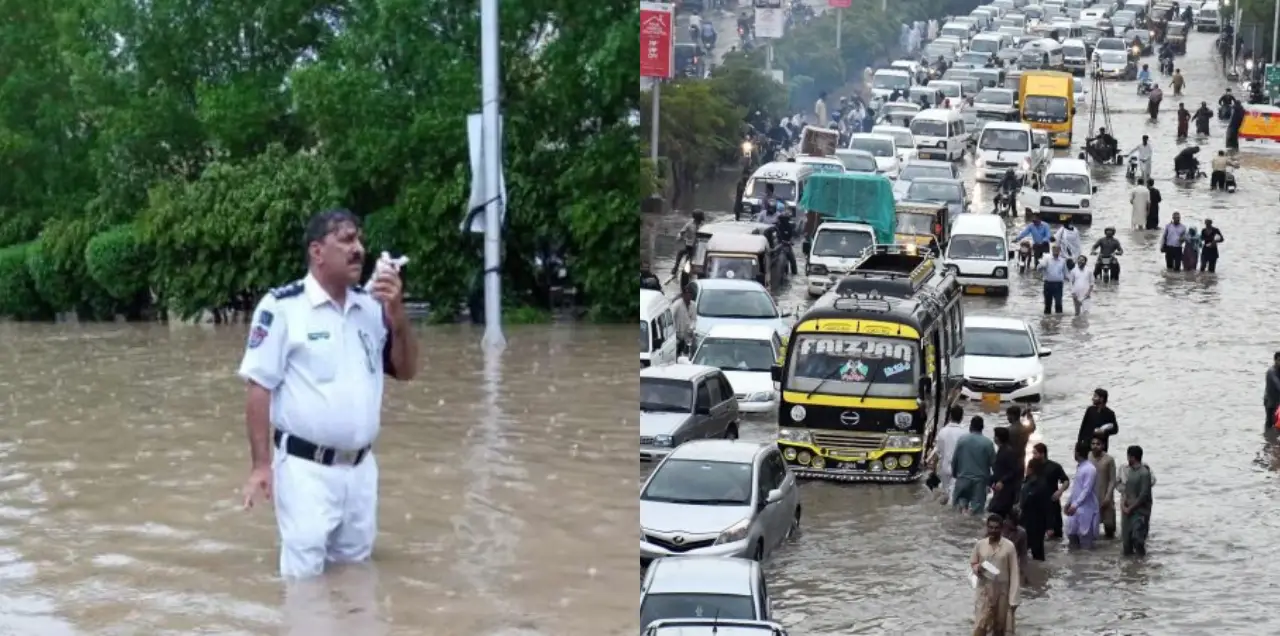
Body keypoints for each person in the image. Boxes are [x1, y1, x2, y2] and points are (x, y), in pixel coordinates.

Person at [238, 208, 420, 579]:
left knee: (356, 578)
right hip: (306, 471)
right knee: (304, 584)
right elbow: (259, 388)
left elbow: (406, 370)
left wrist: (398, 317)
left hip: (360, 469)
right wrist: (260, 465)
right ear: (317, 252)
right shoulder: (283, 308)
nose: (359, 249)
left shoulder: (371, 307)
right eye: (347, 240)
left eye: (360, 240)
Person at [970, 513, 1021, 636]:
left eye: (996, 528)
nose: (993, 530)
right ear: (987, 527)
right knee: (980, 625)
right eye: (990, 527)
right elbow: (973, 563)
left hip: (1002, 591)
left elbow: (1014, 573)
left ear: (1002, 528)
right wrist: (977, 568)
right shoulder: (980, 545)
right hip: (984, 590)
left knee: (1000, 627)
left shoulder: (1009, 547)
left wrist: (1013, 599)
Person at [951, 416, 996, 515]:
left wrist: (955, 474)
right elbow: (994, 464)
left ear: (970, 427)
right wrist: (992, 482)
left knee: (958, 508)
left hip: (963, 479)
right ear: (982, 427)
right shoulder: (988, 443)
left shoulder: (962, 440)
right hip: (979, 482)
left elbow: (955, 460)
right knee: (977, 512)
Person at [1064, 441, 1100, 549]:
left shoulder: (1090, 469)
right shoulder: (1080, 467)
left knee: (1086, 543)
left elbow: (1087, 490)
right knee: (1072, 538)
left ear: (1077, 453)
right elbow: (1076, 488)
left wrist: (1075, 504)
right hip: (1075, 509)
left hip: (1086, 510)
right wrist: (1068, 502)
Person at [929, 405, 968, 503]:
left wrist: (933, 469)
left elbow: (937, 452)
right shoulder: (965, 433)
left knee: (945, 492)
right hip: (959, 470)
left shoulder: (943, 431)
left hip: (945, 468)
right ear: (962, 417)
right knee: (955, 497)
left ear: (950, 416)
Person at [1120, 445, 1154, 556]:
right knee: (1127, 542)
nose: (1127, 459)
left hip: (1140, 512)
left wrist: (1130, 508)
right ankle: (1130, 568)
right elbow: (1126, 490)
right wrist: (1123, 505)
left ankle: (1141, 566)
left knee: (1138, 540)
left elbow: (1143, 495)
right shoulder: (1131, 472)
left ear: (1132, 457)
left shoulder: (1144, 473)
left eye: (1128, 457)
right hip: (1128, 512)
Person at [1032, 443, 1070, 540]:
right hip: (1037, 503)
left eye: (1035, 453)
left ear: (1042, 454)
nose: (1033, 456)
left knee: (1056, 533)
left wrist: (1060, 491)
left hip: (1052, 503)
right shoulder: (1032, 465)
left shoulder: (1054, 467)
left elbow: (1066, 481)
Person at [1019, 457, 1054, 560]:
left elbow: (1048, 506)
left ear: (1031, 469)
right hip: (1026, 520)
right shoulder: (1027, 481)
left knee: (1037, 550)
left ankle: (1038, 570)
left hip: (1037, 523)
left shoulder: (1042, 485)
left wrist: (1049, 526)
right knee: (1023, 549)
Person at [1089, 435, 1118, 539]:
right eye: (1093, 444)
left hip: (1105, 497)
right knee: (1090, 528)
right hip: (1091, 497)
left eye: (1098, 444)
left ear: (1103, 445)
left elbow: (1112, 480)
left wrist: (1108, 496)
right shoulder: (1088, 457)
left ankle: (1109, 553)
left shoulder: (1109, 460)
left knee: (1109, 528)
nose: (1095, 446)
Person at [988, 427, 1021, 517]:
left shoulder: (1008, 452)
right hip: (1001, 488)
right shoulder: (1003, 450)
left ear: (997, 438)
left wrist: (1002, 481)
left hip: (1006, 490)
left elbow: (1014, 470)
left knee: (997, 511)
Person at [1038, 243, 1069, 315]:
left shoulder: (1063, 261)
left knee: (1058, 303)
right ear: (1052, 250)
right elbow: (1039, 269)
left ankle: (1058, 321)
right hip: (1048, 284)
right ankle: (1047, 321)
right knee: (1048, 304)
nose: (1056, 251)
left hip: (1058, 285)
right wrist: (1041, 266)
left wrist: (1071, 280)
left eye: (1058, 250)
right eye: (1054, 249)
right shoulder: (1046, 259)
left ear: (1060, 251)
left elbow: (1066, 273)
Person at [674, 209, 705, 277]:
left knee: (693, 260)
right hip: (689, 245)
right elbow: (682, 232)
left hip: (698, 247)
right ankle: (675, 268)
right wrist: (679, 237)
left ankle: (692, 272)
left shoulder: (703, 226)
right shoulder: (689, 224)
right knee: (680, 253)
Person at [1001, 510, 1029, 585]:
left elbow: (1023, 554)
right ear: (1006, 520)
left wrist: (1024, 571)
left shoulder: (1021, 533)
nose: (1012, 529)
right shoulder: (997, 529)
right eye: (1011, 526)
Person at [671, 285, 696, 356]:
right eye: (687, 295)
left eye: (690, 295)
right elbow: (671, 316)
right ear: (683, 295)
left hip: (688, 335)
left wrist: (692, 328)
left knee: (692, 349)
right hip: (677, 335)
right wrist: (674, 330)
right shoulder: (677, 304)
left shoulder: (693, 305)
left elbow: (694, 319)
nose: (689, 297)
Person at [1264, 352, 1280, 432]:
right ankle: (1268, 440)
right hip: (1271, 402)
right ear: (1276, 360)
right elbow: (1278, 385)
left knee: (1277, 424)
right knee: (1270, 423)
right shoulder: (1272, 372)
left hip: (1278, 402)